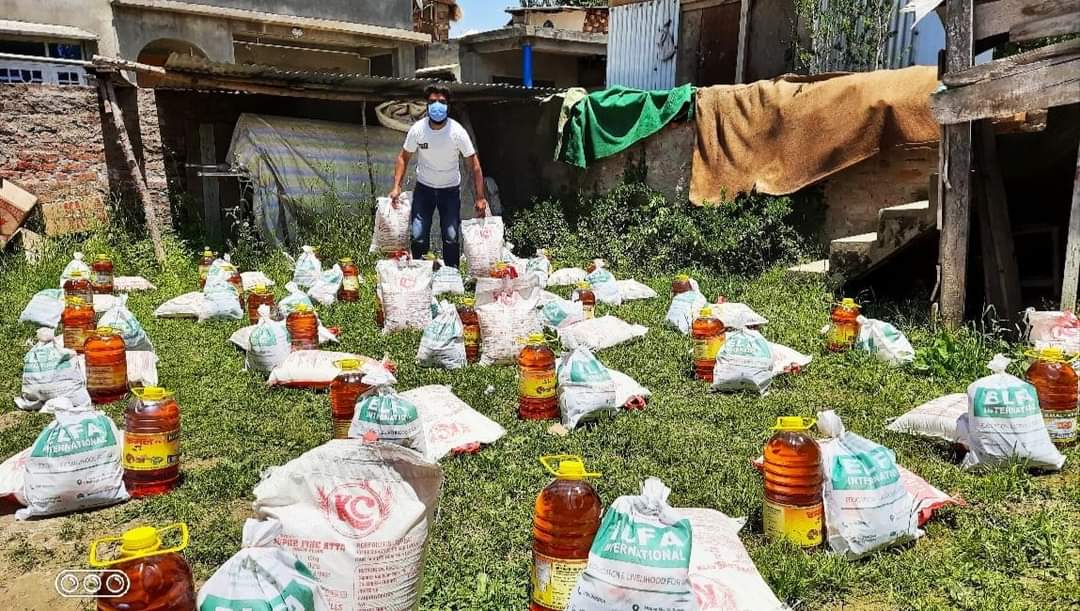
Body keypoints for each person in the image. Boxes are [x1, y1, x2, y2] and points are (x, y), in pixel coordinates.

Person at [389, 84, 488, 269]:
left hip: (449, 192)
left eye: (441, 102)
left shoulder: (457, 132)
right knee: (418, 236)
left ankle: (451, 274)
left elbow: (474, 165)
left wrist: (480, 197)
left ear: (448, 106)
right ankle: (420, 273)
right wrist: (397, 186)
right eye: (432, 101)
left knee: (451, 237)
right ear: (427, 106)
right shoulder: (418, 130)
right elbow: (403, 157)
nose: (437, 106)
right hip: (424, 190)